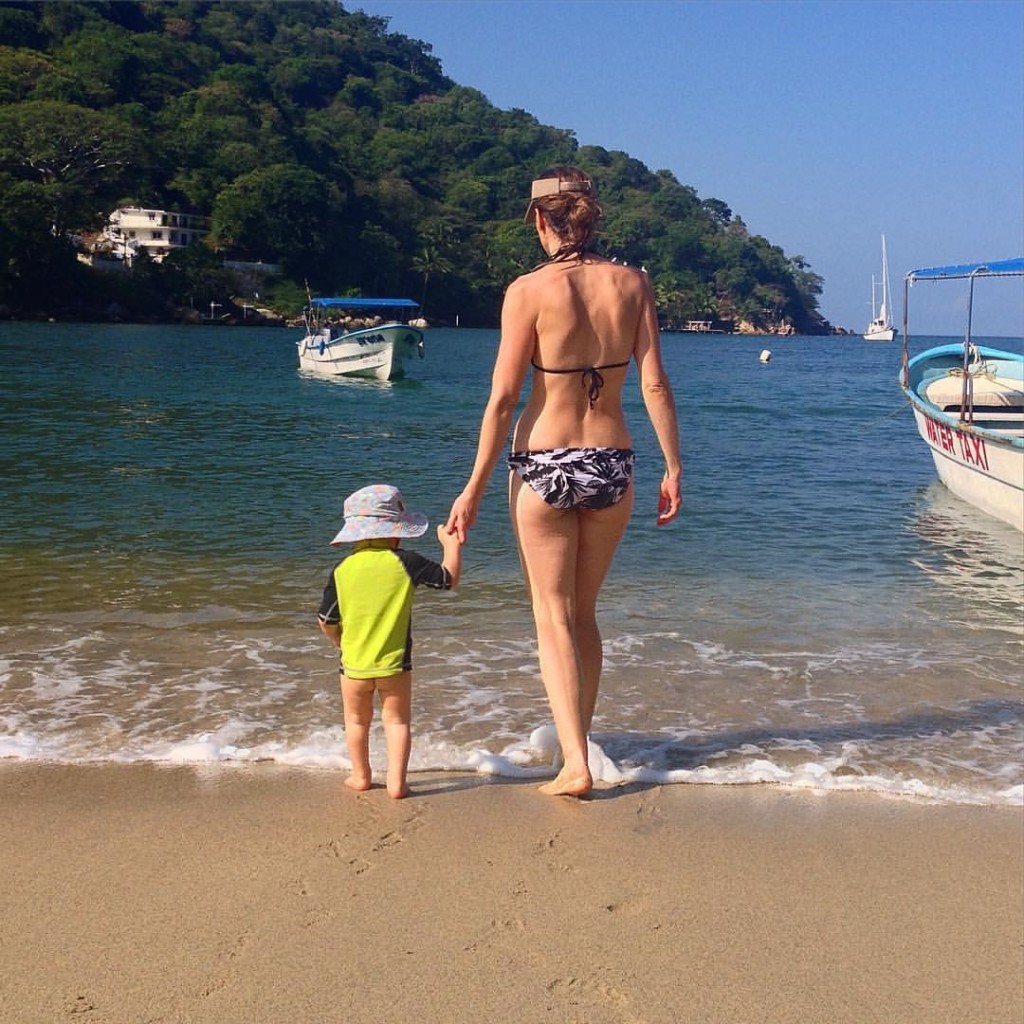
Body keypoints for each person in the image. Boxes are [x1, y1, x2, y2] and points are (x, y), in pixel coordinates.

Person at [445, 166, 682, 798]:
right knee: (583, 614)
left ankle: (574, 762)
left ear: (543, 221)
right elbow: (655, 383)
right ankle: (583, 743)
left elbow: (502, 400)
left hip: (544, 462)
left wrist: (471, 488)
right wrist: (674, 465)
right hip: (614, 462)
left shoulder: (526, 291)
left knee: (551, 614)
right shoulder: (634, 284)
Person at [318, 484, 462, 799]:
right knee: (396, 723)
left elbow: (326, 621)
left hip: (353, 665)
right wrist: (451, 545)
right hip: (395, 664)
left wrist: (342, 644)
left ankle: (360, 776)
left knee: (356, 722)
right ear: (397, 531)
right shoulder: (405, 561)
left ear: (356, 534)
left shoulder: (342, 570)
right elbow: (446, 579)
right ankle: (397, 783)